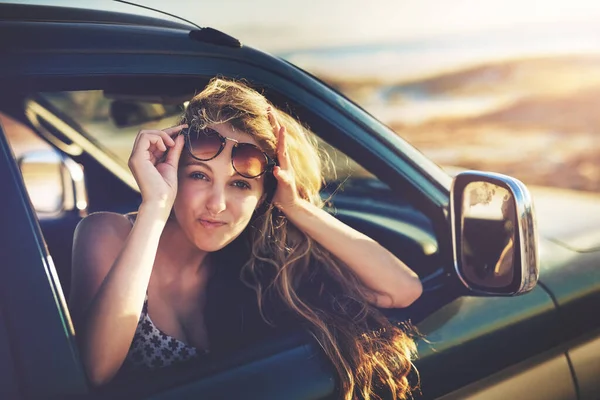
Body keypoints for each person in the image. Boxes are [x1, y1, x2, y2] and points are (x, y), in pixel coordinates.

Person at [69, 77, 423, 400]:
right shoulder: (109, 234)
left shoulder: (255, 261)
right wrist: (155, 205)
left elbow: (402, 290)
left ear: (263, 196)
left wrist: (296, 206)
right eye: (199, 175)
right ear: (172, 171)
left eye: (240, 185)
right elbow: (98, 371)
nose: (217, 204)